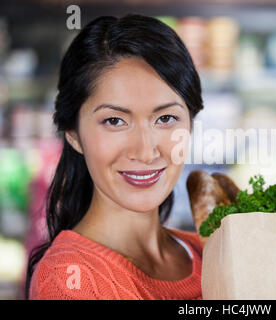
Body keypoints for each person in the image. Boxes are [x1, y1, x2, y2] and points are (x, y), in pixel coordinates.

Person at [25, 14, 204, 300]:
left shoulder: (209, 252)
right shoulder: (69, 282)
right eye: (115, 121)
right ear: (73, 133)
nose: (146, 151)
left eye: (166, 118)